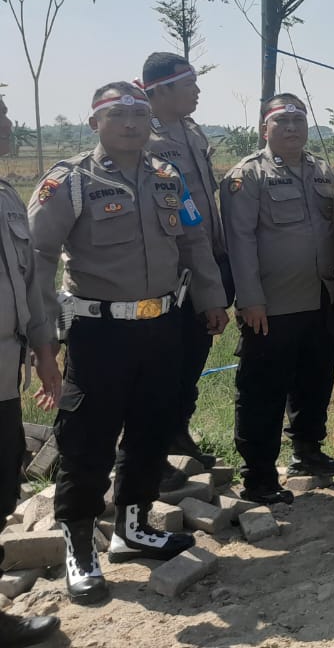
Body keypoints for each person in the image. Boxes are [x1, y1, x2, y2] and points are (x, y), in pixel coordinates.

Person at [27, 83, 227, 605]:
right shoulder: (70, 181)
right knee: (88, 439)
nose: (133, 123)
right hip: (100, 333)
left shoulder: (168, 177)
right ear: (96, 122)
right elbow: (39, 258)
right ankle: (79, 545)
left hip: (162, 325)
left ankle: (132, 527)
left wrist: (211, 298)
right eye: (118, 114)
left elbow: (193, 240)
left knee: (151, 427)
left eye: (140, 113)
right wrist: (42, 332)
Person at [221, 94, 334, 507]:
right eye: (282, 121)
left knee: (316, 379)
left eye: (298, 119)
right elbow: (238, 242)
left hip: (319, 297)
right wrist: (250, 300)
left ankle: (308, 452)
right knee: (263, 391)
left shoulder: (322, 171)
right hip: (271, 306)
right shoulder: (247, 176)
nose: (292, 128)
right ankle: (258, 475)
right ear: (266, 129)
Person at [140, 53, 226, 471]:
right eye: (189, 84)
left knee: (193, 354)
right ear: (161, 90)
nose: (197, 91)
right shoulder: (143, 136)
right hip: (168, 270)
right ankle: (151, 453)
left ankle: (177, 434)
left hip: (205, 261)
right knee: (163, 363)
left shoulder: (191, 131)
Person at [0, 95, 61, 644]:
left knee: (2, 481)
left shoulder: (8, 200)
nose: (7, 124)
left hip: (5, 371)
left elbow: (31, 288)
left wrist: (45, 354)